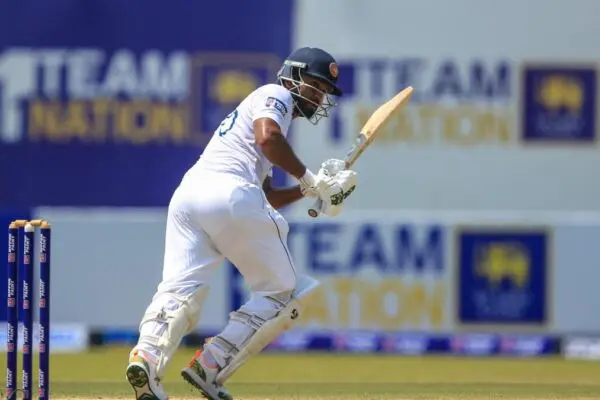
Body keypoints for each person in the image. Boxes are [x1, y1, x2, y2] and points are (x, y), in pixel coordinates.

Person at [125, 47, 358, 400]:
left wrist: (311, 190)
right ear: (292, 76)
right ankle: (211, 364)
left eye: (324, 91)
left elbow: (268, 197)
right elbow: (268, 139)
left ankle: (146, 358)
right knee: (286, 292)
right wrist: (312, 179)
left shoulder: (262, 119)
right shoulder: (275, 94)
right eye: (315, 85)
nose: (319, 96)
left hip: (189, 196)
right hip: (230, 192)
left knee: (180, 289)